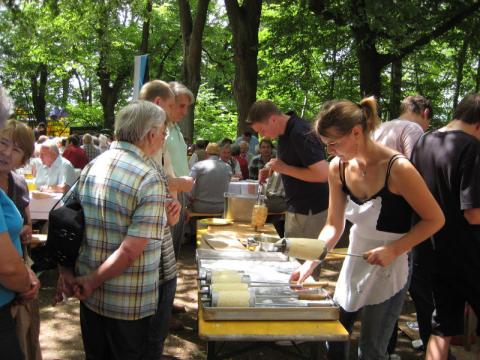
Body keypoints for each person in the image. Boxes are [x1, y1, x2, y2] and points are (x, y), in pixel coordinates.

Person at [288, 97, 444, 359]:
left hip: (391, 266)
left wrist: (394, 250)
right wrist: (310, 263)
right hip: (355, 259)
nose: (331, 152)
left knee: (371, 348)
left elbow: (435, 219)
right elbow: (333, 225)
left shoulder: (398, 168)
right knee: (334, 339)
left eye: (334, 144)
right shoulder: (338, 168)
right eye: (327, 146)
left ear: (357, 132)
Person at [56, 101, 180, 360]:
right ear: (151, 134)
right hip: (128, 303)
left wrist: (67, 270)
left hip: (90, 296)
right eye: (164, 133)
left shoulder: (95, 164)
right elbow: (130, 250)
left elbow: (64, 218)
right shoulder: (148, 177)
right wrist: (90, 281)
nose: (164, 139)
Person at [411, 93, 480, 360]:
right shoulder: (472, 148)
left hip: (431, 249)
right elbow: (473, 213)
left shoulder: (424, 142)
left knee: (442, 326)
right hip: (467, 252)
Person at [373, 95, 433, 356]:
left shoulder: (382, 127)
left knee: (380, 281)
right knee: (402, 283)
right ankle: (392, 348)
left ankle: (384, 345)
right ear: (425, 113)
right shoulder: (413, 129)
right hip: (401, 216)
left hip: (374, 211)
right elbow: (414, 171)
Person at [247, 100, 329, 240]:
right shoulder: (284, 133)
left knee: (302, 259)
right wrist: (272, 169)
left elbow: (324, 174)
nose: (263, 135)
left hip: (310, 210)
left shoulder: (299, 132)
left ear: (273, 119)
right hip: (296, 206)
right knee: (292, 256)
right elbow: (295, 164)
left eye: (262, 130)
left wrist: (283, 168)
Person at [0, 86, 38, 359]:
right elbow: (5, 265)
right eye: (3, 142)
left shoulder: (16, 183)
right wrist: (25, 281)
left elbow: (24, 224)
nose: (7, 153)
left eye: (16, 149)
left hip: (14, 288)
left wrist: (25, 230)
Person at [188, 142, 232, 214]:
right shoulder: (228, 167)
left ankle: (193, 225)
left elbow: (188, 183)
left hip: (200, 206)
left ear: (206, 153)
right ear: (219, 154)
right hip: (221, 207)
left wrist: (190, 197)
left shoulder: (198, 165)